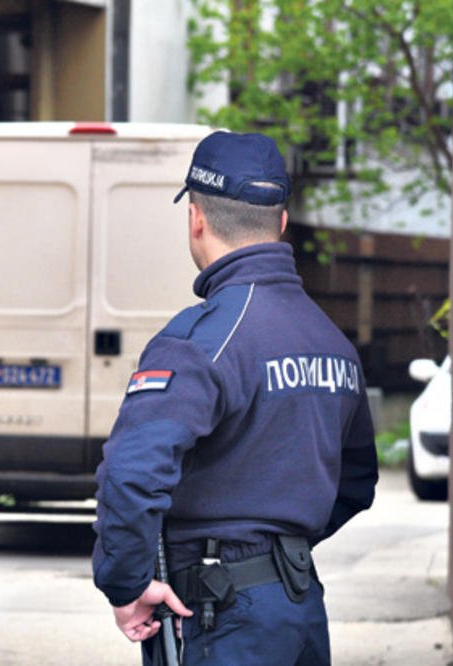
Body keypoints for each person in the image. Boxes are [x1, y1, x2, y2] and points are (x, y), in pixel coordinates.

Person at [91, 131, 378, 665]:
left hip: (218, 614)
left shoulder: (200, 340)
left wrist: (126, 584)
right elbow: (355, 483)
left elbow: (131, 474)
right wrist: (278, 552)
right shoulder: (331, 342)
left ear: (196, 217)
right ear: (282, 224)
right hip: (299, 610)